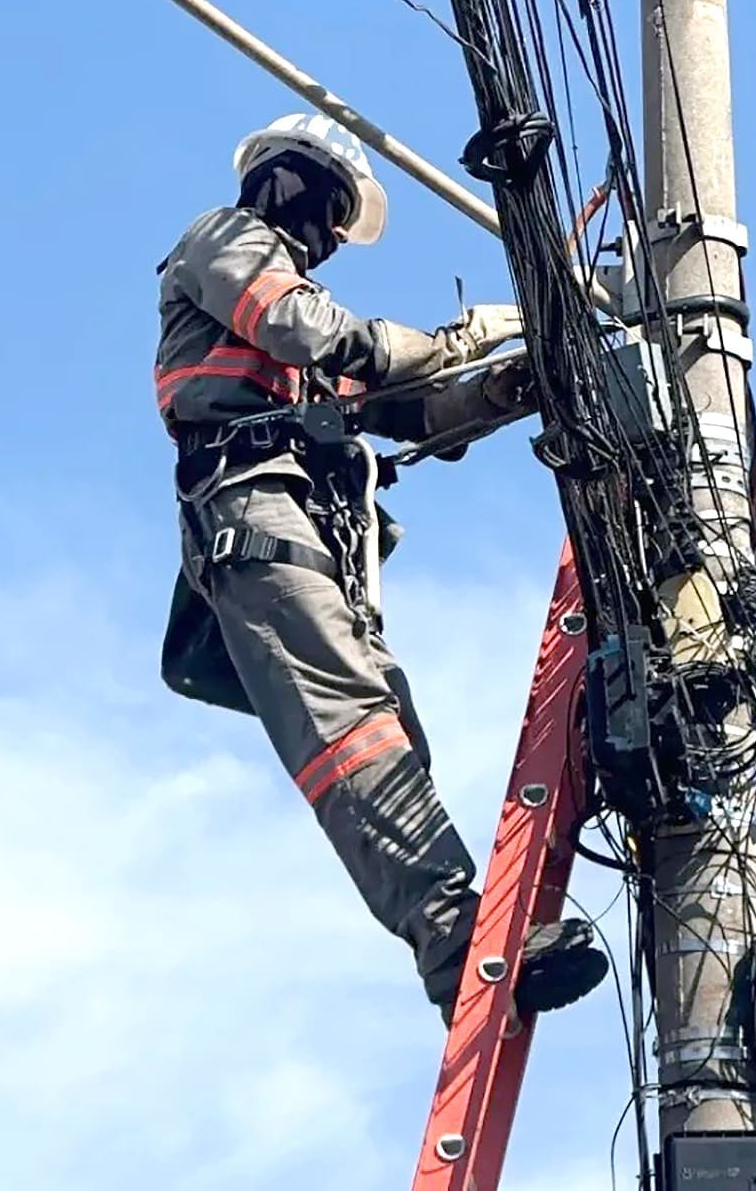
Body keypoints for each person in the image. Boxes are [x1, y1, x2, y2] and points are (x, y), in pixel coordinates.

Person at [155, 111, 608, 1022]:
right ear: (293, 186)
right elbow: (304, 327)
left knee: (389, 736)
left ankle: (469, 939)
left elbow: (406, 408)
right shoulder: (227, 243)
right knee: (351, 736)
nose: (324, 233)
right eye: (326, 209)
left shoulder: (307, 341)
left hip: (318, 539)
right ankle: (455, 939)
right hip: (255, 520)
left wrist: (512, 380)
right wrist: (460, 336)